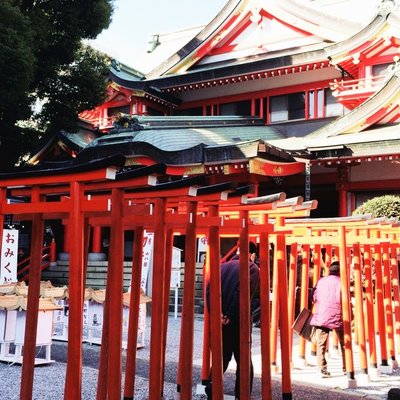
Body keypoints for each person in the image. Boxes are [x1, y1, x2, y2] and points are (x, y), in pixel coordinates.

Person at [205, 242, 260, 399]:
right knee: (244, 361)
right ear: (252, 254)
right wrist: (229, 315)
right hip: (238, 322)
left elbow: (209, 291)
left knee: (221, 357)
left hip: (220, 321)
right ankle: (241, 395)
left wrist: (218, 314)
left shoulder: (222, 267)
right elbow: (243, 293)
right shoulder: (251, 268)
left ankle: (211, 386)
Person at [310, 261, 345, 378]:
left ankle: (322, 368)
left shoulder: (320, 281)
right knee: (344, 343)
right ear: (340, 271)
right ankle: (347, 367)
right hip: (339, 315)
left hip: (322, 315)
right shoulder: (342, 282)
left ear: (329, 270)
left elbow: (313, 297)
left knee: (321, 344)